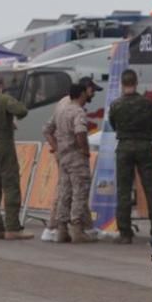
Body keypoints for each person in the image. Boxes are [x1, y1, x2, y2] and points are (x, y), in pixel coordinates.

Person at [41, 78, 101, 242]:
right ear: (82, 93)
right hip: (76, 157)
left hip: (64, 157)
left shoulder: (61, 109)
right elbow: (80, 132)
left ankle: (61, 230)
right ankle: (77, 229)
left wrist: (57, 147)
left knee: (65, 193)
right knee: (80, 192)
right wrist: (85, 150)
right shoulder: (78, 112)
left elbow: (46, 129)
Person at [108, 68, 152, 244]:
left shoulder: (116, 105)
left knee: (123, 190)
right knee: (151, 190)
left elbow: (114, 124)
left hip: (124, 147)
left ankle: (125, 233)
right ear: (136, 83)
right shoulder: (147, 103)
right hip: (144, 146)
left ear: (122, 84)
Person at [0, 76, 32, 239]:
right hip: (4, 146)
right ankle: (12, 228)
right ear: (2, 86)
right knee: (10, 185)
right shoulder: (4, 99)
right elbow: (22, 111)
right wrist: (10, 118)